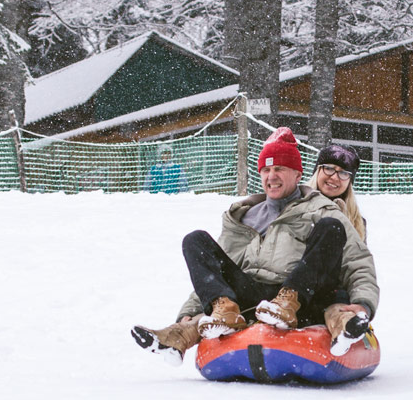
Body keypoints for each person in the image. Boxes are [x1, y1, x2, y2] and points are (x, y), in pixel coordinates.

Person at [131, 127, 378, 361]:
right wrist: (191, 310)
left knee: (331, 229)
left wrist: (364, 303)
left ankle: (322, 316)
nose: (272, 177)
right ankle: (197, 324)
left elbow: (357, 261)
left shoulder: (323, 210)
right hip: (252, 295)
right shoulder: (244, 217)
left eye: (280, 169)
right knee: (195, 240)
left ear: (298, 174)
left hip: (302, 297)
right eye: (266, 170)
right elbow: (216, 270)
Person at [309, 143, 367, 240]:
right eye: (328, 168)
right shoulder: (294, 206)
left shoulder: (357, 222)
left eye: (343, 173)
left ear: (350, 182)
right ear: (317, 171)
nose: (335, 177)